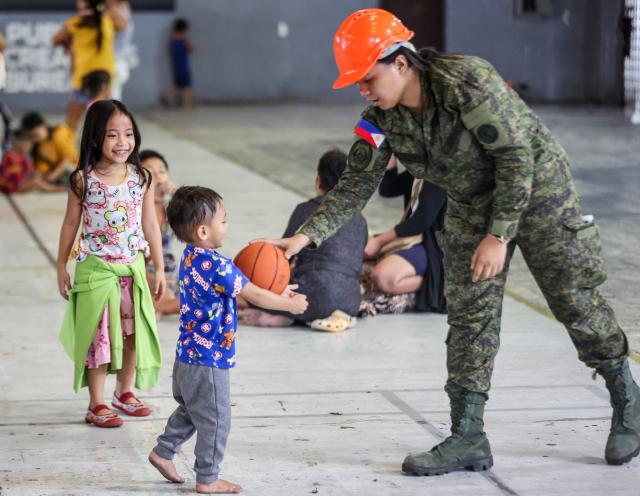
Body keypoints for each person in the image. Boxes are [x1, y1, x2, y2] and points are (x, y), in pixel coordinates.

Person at [259, 8, 640, 474]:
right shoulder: (379, 120)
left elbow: (516, 157)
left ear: (401, 63)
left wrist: (499, 234)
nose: (362, 89)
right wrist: (303, 238)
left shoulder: (466, 82)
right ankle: (468, 436)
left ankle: (628, 401)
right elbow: (354, 187)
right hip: (470, 202)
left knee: (572, 299)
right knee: (469, 315)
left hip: (537, 190)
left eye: (367, 77)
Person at [148, 186, 307, 493]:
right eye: (224, 220)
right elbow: (254, 294)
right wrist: (289, 304)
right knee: (217, 419)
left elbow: (244, 290)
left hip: (186, 357)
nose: (227, 225)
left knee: (194, 411)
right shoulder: (219, 266)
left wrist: (277, 292)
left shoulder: (191, 259)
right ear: (204, 230)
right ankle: (208, 478)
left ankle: (163, 451)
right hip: (209, 361)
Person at [57, 100, 165, 428]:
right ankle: (97, 403)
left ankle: (124, 392)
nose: (123, 142)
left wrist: (158, 267)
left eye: (128, 134)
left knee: (133, 334)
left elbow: (150, 224)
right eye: (112, 135)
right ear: (94, 139)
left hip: (131, 269)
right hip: (96, 269)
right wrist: (61, 265)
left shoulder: (141, 177)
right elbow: (69, 224)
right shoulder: (82, 180)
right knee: (98, 336)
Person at [242, 148, 367, 332]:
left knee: (253, 286)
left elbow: (283, 259)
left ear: (318, 182)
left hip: (311, 298)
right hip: (351, 301)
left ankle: (284, 315)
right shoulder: (360, 219)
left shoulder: (305, 209)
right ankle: (328, 316)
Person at [361, 154, 447, 315]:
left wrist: (379, 241)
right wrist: (389, 158)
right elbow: (388, 189)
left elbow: (422, 219)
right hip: (411, 238)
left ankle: (438, 285)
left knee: (382, 276)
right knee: (357, 252)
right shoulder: (418, 168)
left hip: (435, 245)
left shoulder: (441, 169)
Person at [52, 0, 116, 131]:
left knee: (71, 124)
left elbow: (56, 39)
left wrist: (68, 42)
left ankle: (70, 149)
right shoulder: (107, 21)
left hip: (83, 76)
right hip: (105, 75)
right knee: (103, 123)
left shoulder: (76, 22)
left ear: (84, 4)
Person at [140, 149, 180, 316]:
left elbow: (204, 224)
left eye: (162, 171)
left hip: (170, 277)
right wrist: (151, 280)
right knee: (162, 301)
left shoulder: (170, 210)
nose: (157, 176)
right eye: (149, 171)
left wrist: (178, 194)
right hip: (143, 279)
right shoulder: (133, 212)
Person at [20, 112, 78, 186]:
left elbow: (67, 160)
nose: (35, 139)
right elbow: (42, 166)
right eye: (31, 137)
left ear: (44, 125)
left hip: (74, 167)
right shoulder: (40, 145)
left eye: (36, 134)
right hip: (57, 173)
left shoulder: (59, 134)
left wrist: (52, 176)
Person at [0, 129, 63, 193]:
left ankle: (50, 186)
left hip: (5, 185)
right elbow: (31, 172)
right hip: (15, 187)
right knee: (36, 181)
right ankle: (53, 189)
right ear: (24, 146)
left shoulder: (6, 155)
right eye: (29, 145)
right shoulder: (22, 158)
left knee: (37, 176)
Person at [161, 18, 193, 109]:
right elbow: (191, 49)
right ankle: (186, 104)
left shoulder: (172, 40)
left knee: (178, 85)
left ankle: (166, 96)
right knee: (187, 86)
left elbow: (169, 52)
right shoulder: (183, 40)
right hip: (183, 65)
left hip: (175, 65)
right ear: (183, 29)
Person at [105, 0, 134, 101]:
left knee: (111, 101)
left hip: (115, 63)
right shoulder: (123, 7)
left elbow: (121, 26)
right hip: (115, 62)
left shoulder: (115, 13)